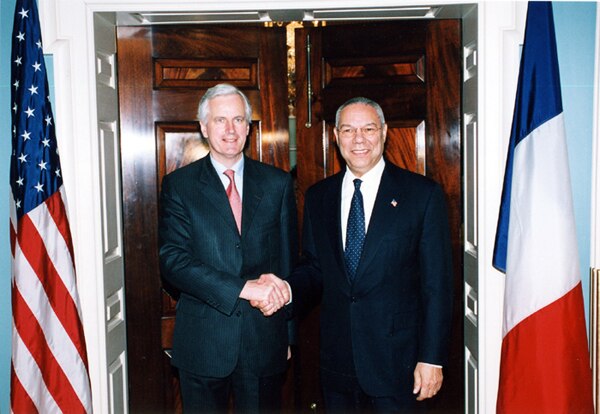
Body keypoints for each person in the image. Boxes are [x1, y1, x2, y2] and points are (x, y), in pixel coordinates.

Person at [257, 97, 453, 412]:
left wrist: (431, 358)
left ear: (385, 132)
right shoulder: (319, 197)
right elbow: (315, 268)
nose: (358, 139)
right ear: (336, 137)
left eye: (368, 129)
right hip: (338, 365)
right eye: (348, 130)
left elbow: (437, 286)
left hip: (399, 364)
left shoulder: (421, 195)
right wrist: (287, 289)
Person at [158, 83, 297, 413]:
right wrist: (242, 288)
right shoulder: (180, 185)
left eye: (238, 120)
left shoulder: (277, 183)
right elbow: (173, 262)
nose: (230, 129)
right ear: (204, 127)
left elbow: (289, 262)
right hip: (203, 342)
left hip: (263, 340)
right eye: (220, 120)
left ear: (248, 128)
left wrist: (287, 335)